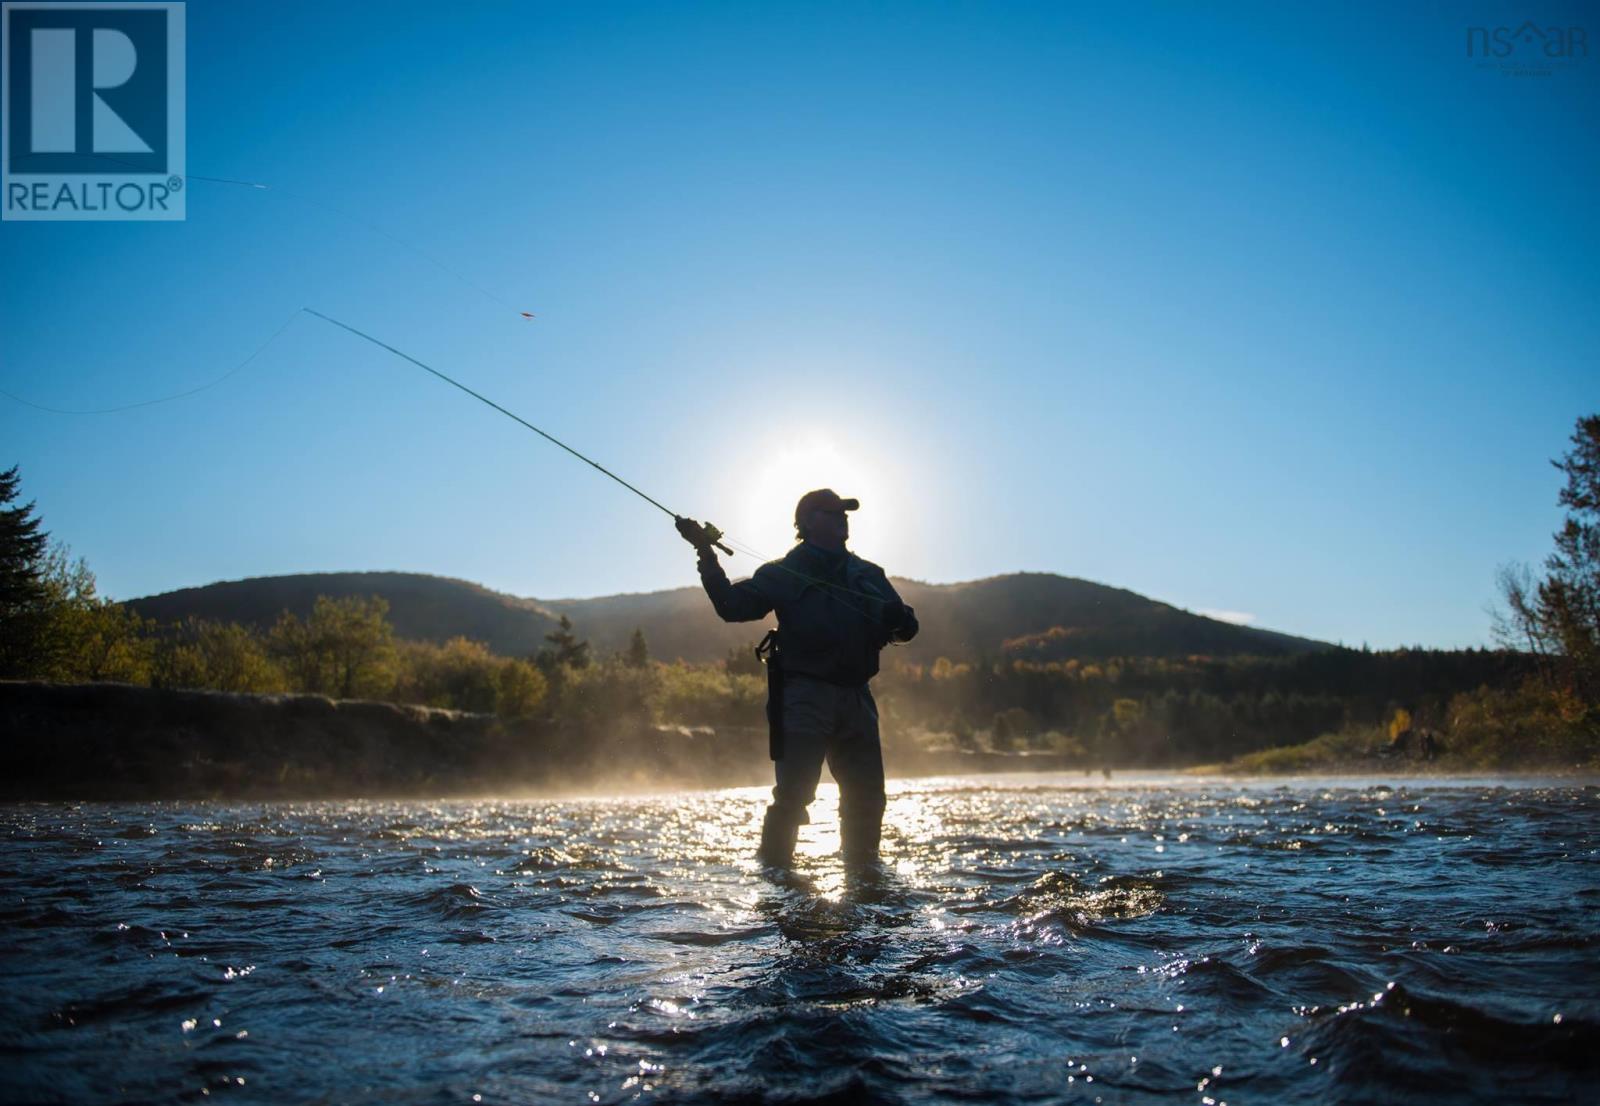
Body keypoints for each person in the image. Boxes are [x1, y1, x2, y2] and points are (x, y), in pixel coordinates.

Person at [676, 489, 918, 867]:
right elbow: (731, 606)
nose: (843, 517)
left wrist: (900, 619)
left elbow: (907, 630)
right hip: (803, 695)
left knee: (868, 795)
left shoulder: (869, 574)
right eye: (832, 512)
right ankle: (774, 881)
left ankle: (866, 878)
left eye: (845, 512)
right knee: (794, 794)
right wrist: (706, 554)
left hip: (858, 697)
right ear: (806, 522)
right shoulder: (782, 572)